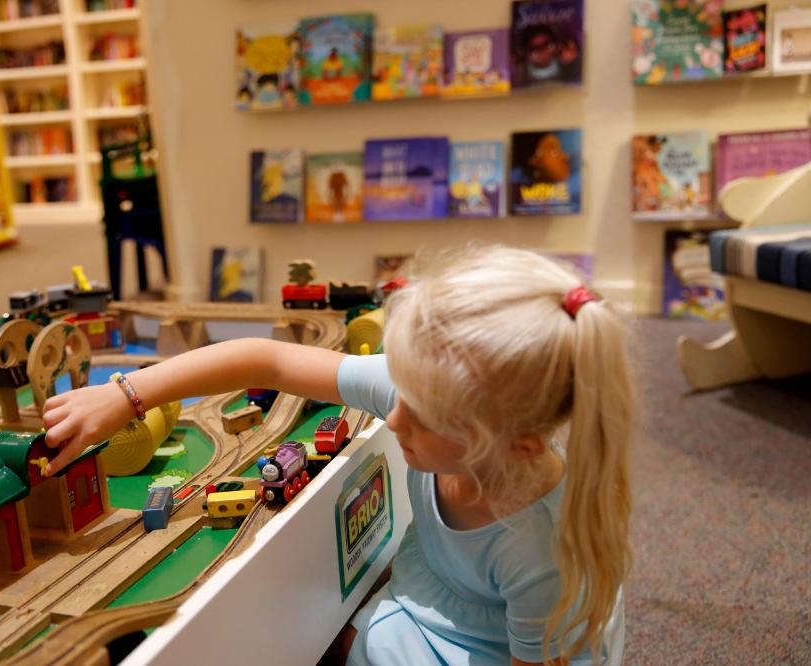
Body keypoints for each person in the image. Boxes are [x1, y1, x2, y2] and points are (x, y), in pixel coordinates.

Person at [41, 246, 634, 665]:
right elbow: (265, 360)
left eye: (422, 416)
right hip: (431, 595)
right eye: (402, 391)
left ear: (515, 444)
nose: (394, 414)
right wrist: (126, 395)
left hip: (498, 644)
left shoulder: (544, 551)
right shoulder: (425, 389)